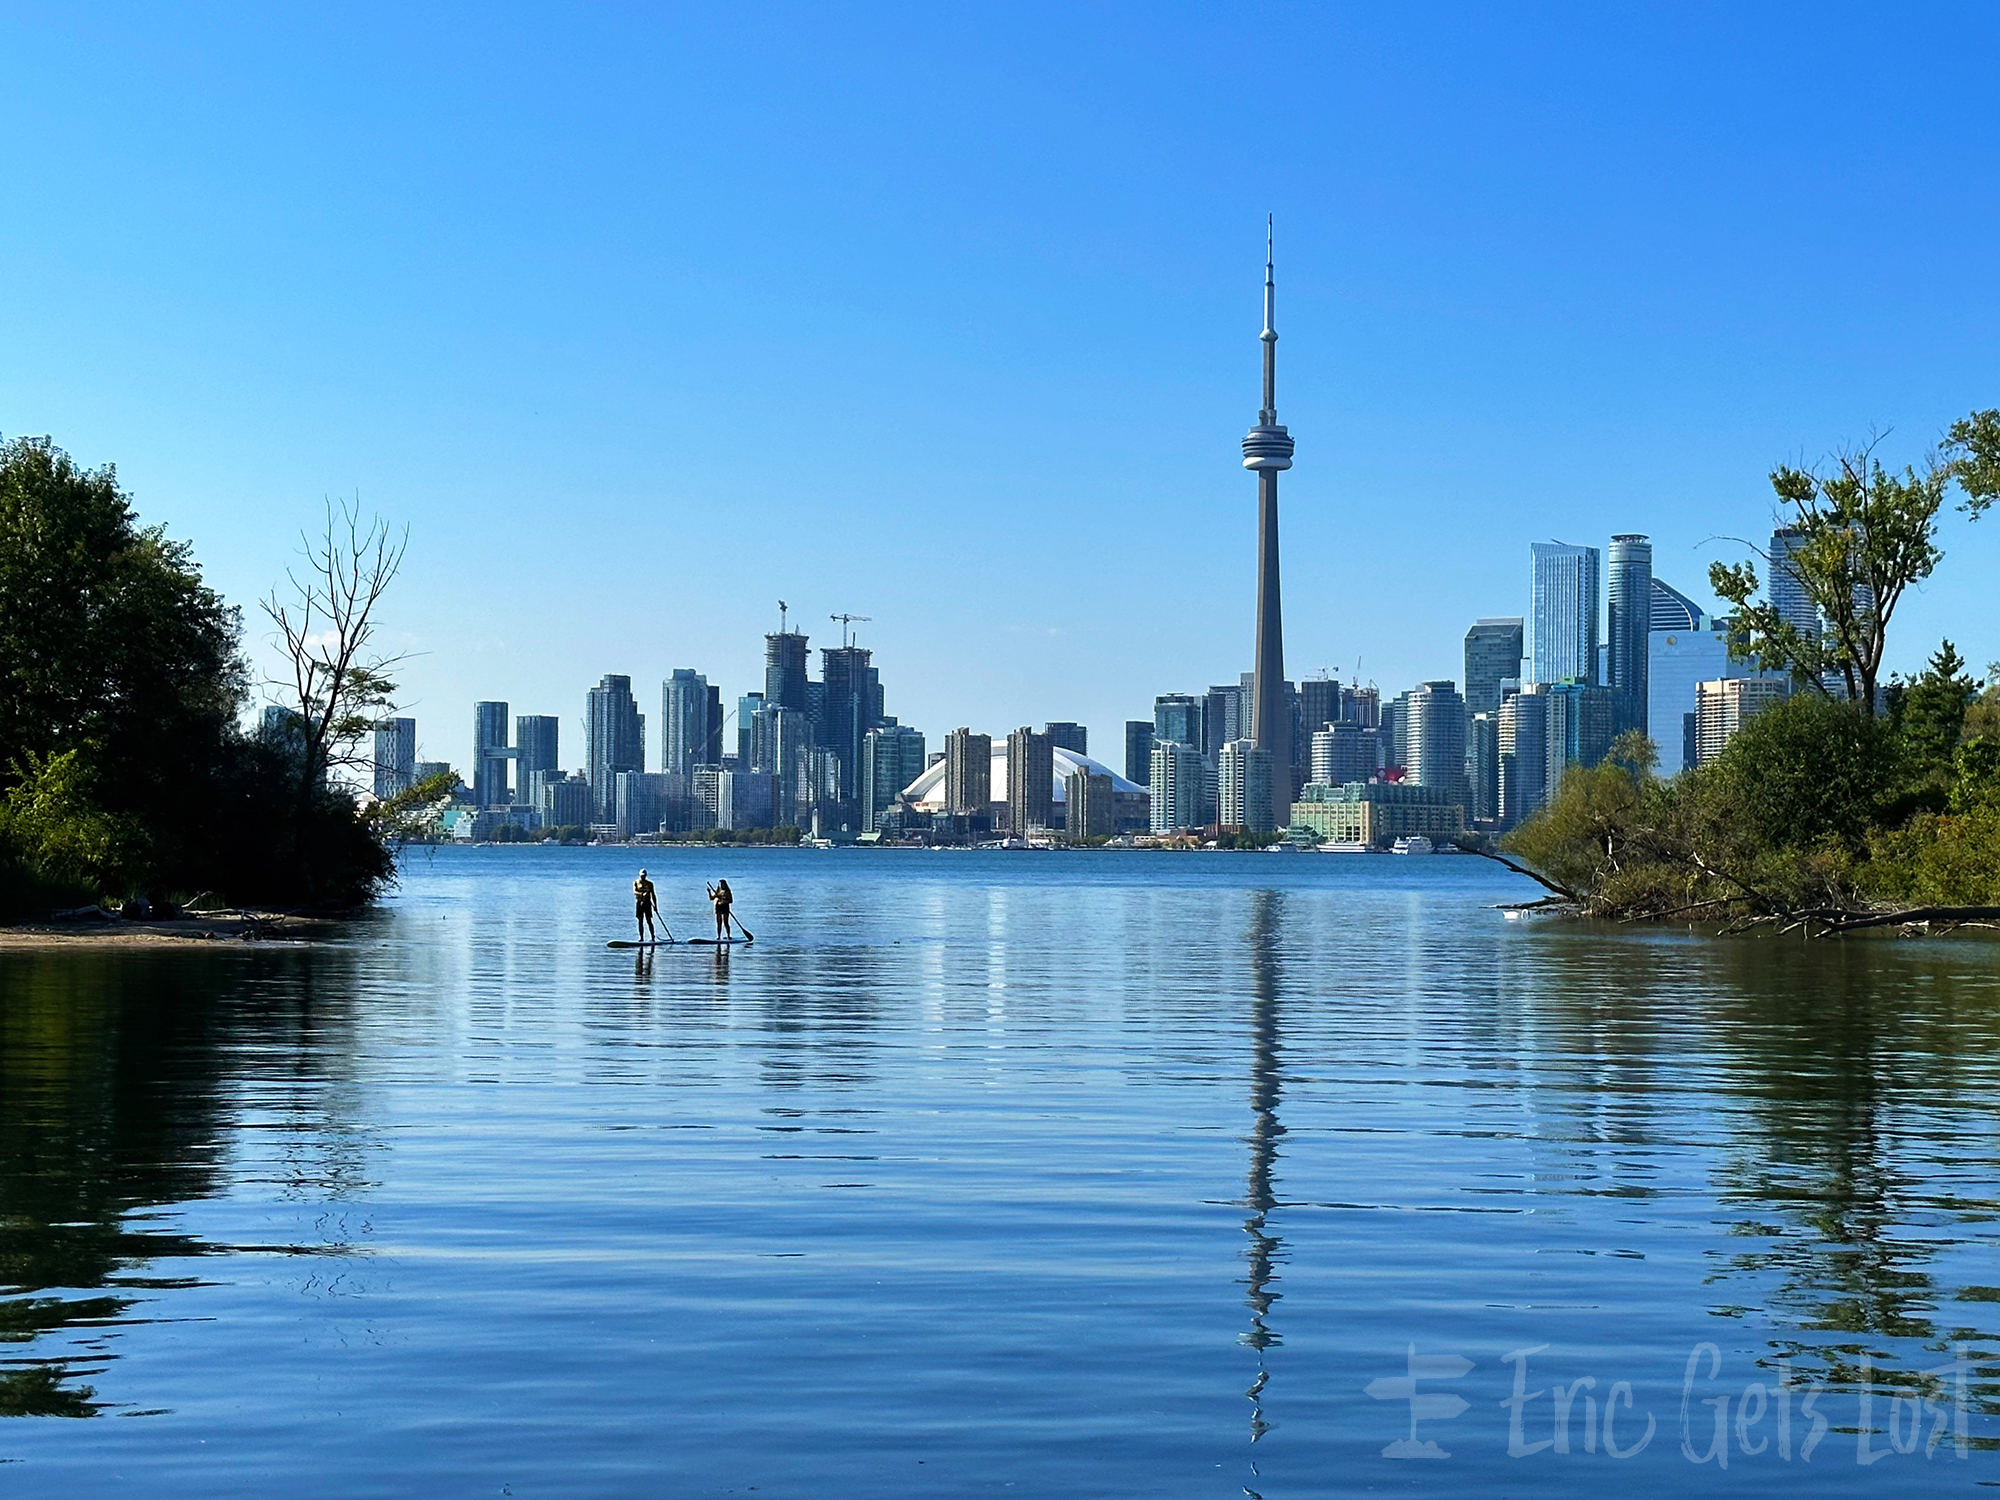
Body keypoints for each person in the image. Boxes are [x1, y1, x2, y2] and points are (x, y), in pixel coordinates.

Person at [633, 869, 659, 943]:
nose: (642, 877)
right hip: (639, 903)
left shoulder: (650, 884)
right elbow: (634, 891)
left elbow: (653, 895)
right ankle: (641, 938)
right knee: (640, 921)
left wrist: (655, 906)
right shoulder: (636, 882)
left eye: (644, 876)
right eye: (641, 876)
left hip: (647, 903)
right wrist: (641, 894)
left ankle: (652, 937)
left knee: (649, 920)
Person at [707, 878, 733, 942]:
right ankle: (718, 936)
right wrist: (709, 892)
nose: (721, 885)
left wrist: (724, 900)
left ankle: (728, 936)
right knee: (719, 923)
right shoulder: (718, 891)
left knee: (725, 922)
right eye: (721, 884)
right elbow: (711, 898)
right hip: (718, 907)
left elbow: (730, 901)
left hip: (725, 907)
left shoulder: (727, 892)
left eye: (722, 884)